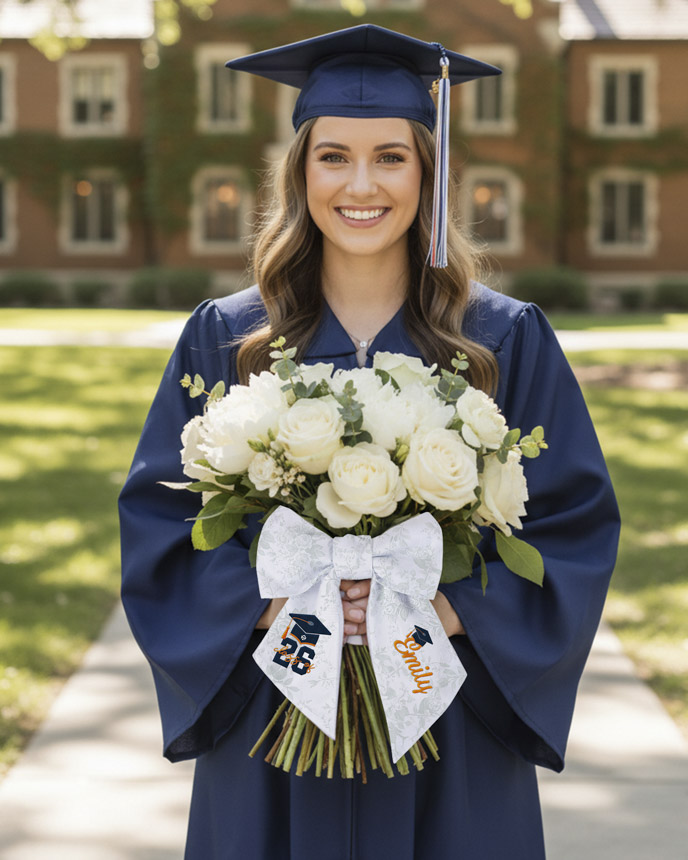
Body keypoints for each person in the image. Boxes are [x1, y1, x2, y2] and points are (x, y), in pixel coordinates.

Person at [119, 24, 620, 860]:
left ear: (428, 172)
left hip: (445, 708)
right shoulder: (229, 338)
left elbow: (574, 527)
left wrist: (452, 611)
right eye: (333, 157)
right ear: (300, 172)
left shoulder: (501, 341)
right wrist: (272, 605)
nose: (361, 184)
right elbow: (159, 523)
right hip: (279, 708)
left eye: (391, 157)